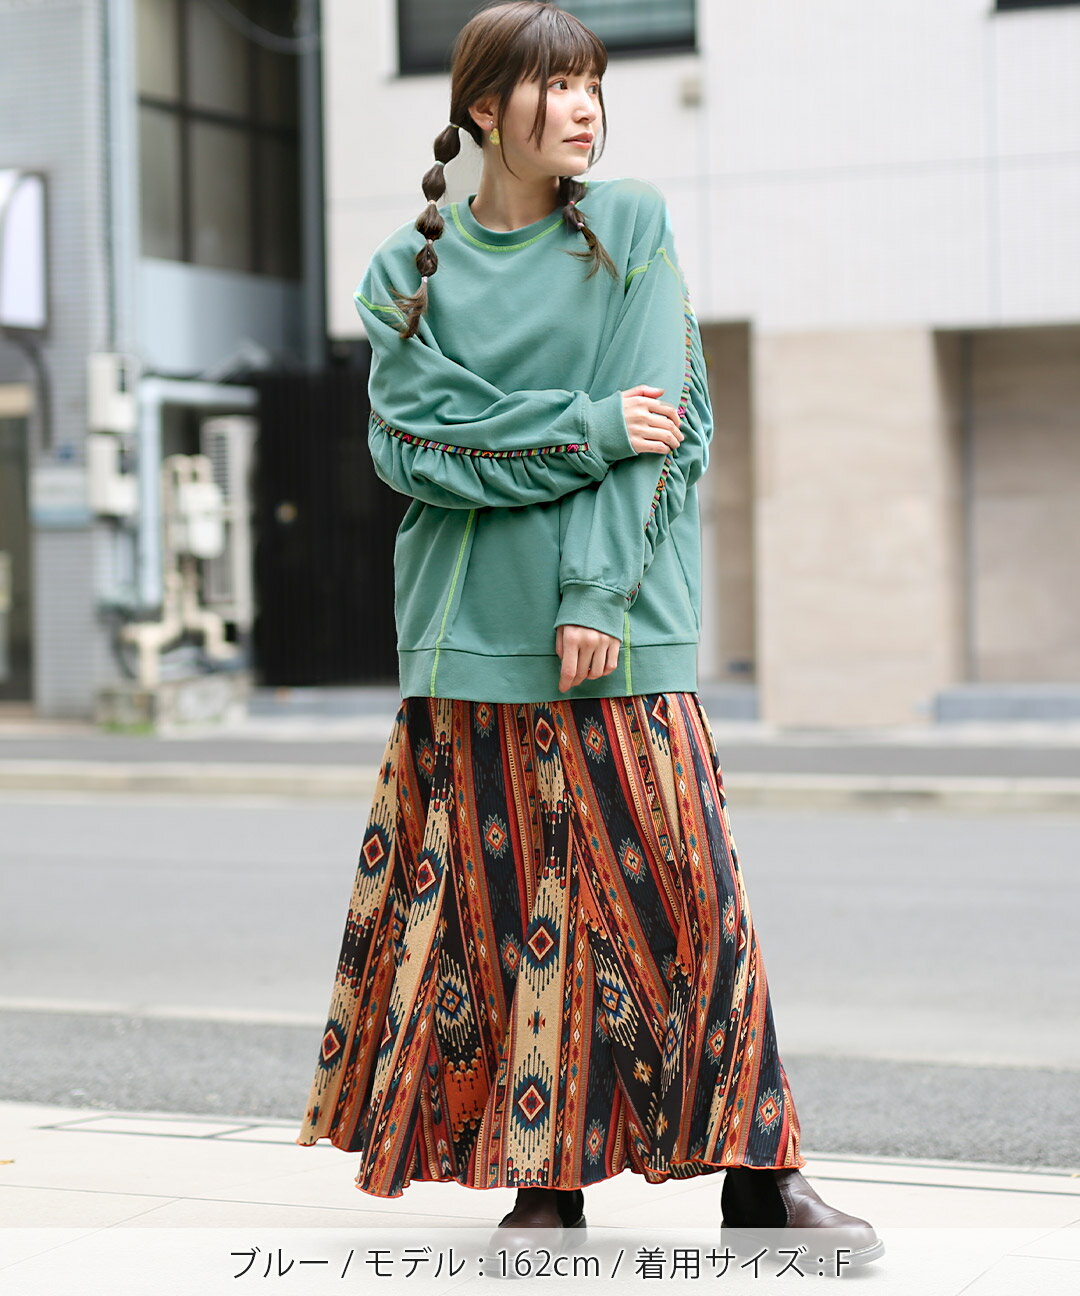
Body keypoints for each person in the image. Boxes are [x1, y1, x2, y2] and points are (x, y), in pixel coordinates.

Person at [295, 0, 882, 1272]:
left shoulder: (630, 226)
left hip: (621, 635)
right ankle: (543, 1188)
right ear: (482, 108)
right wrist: (589, 425)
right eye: (554, 84)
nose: (583, 106)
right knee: (510, 918)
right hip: (466, 639)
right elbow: (412, 444)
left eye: (592, 83)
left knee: (696, 905)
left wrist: (593, 594)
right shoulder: (408, 271)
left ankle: (765, 1177)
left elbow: (668, 426)